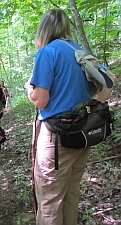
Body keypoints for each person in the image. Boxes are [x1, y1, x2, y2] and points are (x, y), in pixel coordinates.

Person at [25, 9, 117, 225]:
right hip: (81, 134)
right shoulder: (79, 52)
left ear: (43, 30)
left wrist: (29, 90)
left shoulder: (47, 53)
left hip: (56, 138)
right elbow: (109, 81)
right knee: (69, 194)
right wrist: (97, 105)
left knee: (49, 200)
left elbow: (41, 100)